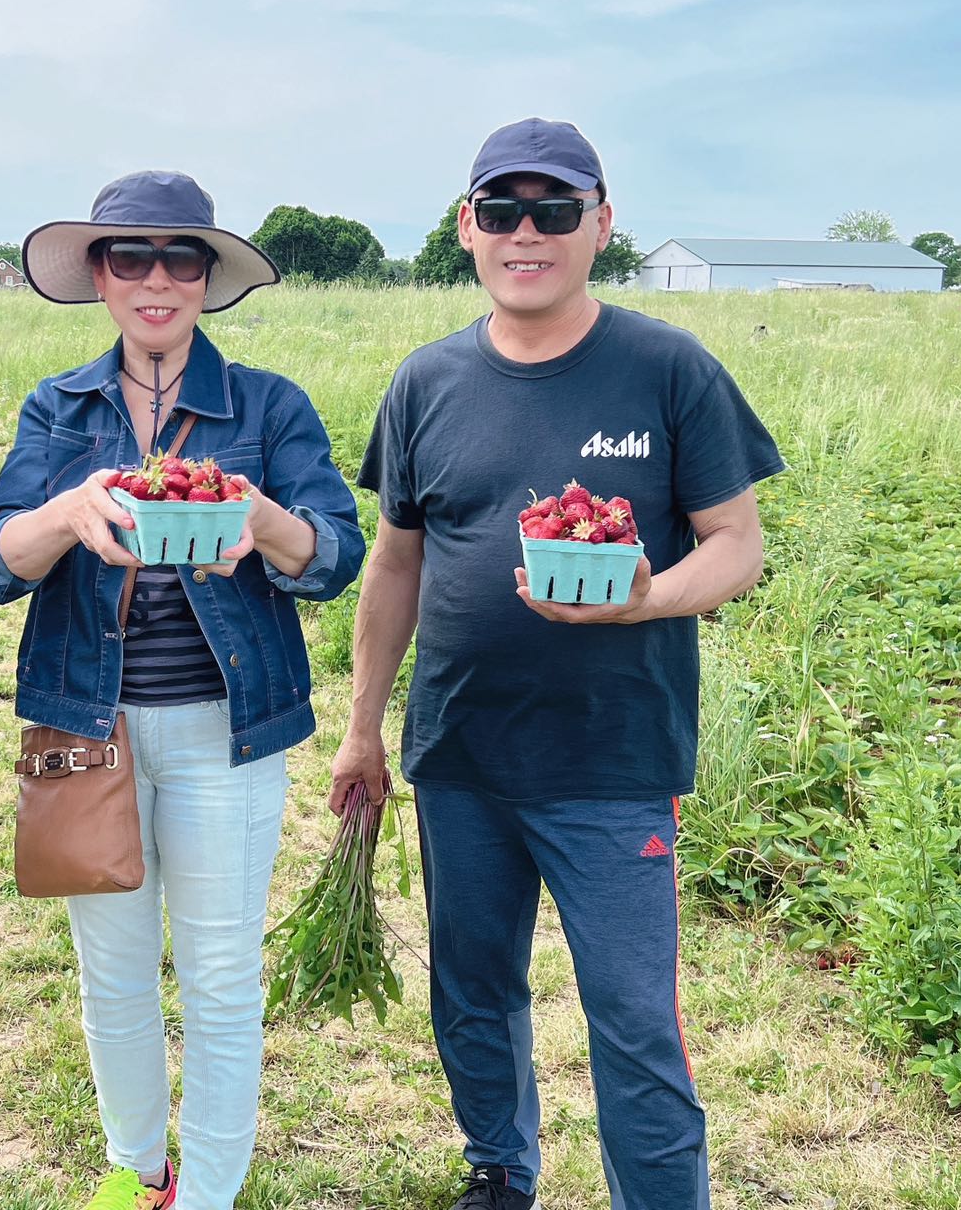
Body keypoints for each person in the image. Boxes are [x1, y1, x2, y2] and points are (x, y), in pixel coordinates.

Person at [334, 119, 785, 1210]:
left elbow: (738, 542)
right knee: (472, 990)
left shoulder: (668, 366)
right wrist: (362, 728)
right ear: (467, 228)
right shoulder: (426, 380)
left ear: (601, 223)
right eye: (502, 211)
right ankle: (499, 1169)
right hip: (461, 753)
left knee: (633, 1017)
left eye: (553, 210)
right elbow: (395, 565)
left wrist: (650, 597)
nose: (525, 233)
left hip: (613, 758)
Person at [0, 170, 364, 1210]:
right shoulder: (57, 408)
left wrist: (261, 518)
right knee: (112, 970)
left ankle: (211, 1190)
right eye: (130, 257)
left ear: (207, 276)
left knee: (222, 972)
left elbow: (335, 556)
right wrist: (66, 510)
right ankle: (136, 1164)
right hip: (86, 723)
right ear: (99, 275)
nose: (156, 279)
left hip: (226, 729)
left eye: (180, 258)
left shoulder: (268, 406)